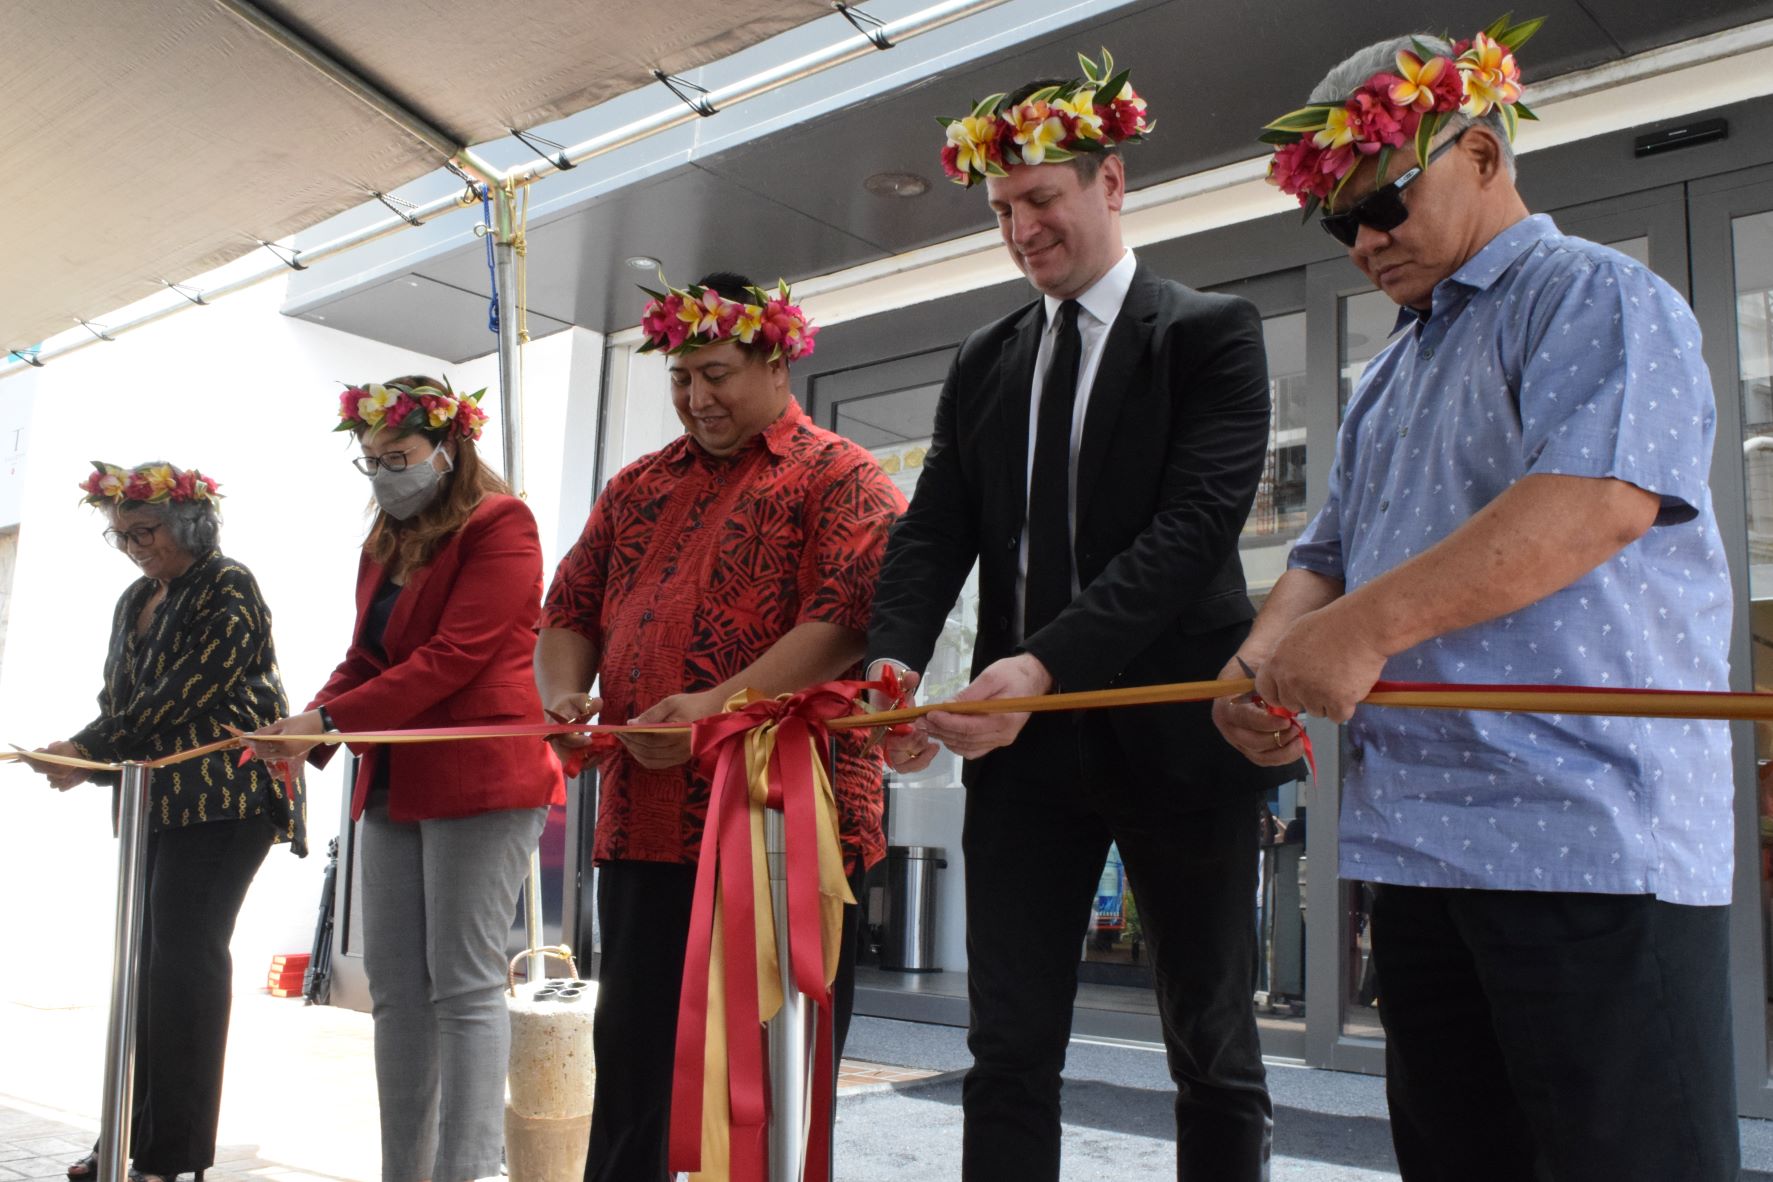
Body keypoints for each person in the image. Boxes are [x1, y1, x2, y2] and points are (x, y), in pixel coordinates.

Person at [1216, 19, 1739, 1180]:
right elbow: (1325, 554)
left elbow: (1597, 501)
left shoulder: (1598, 296)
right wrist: (1261, 663)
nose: (1364, 242)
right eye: (1339, 223)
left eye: (1383, 205)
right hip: (1419, 848)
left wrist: (1360, 631)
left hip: (1585, 835)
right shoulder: (1386, 374)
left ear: (1486, 153)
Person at [865, 52, 1296, 1182]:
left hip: (1178, 737)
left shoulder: (1210, 331)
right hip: (1024, 761)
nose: (1021, 230)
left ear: (1112, 182)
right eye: (1001, 210)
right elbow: (932, 532)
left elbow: (1191, 533)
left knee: (1211, 1042)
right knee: (1007, 1047)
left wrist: (1040, 668)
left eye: (1040, 199)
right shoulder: (985, 358)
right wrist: (893, 664)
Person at [534, 272, 905, 1182]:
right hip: (644, 818)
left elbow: (847, 620)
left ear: (777, 364)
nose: (696, 397)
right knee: (633, 1066)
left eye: (716, 374)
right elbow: (568, 609)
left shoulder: (841, 474)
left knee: (771, 1081)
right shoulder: (636, 485)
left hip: (783, 828)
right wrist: (563, 696)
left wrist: (717, 707)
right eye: (680, 378)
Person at [254, 376, 560, 1182]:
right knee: (394, 991)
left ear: (448, 447)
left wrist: (328, 722)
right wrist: (303, 727)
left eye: (398, 456)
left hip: (480, 773)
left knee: (463, 987)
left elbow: (455, 655)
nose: (384, 472)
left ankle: (465, 1171)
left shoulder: (502, 522)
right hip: (394, 774)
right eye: (371, 459)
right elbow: (366, 657)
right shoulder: (385, 542)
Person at [30, 462, 305, 1182]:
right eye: (120, 535)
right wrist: (86, 754)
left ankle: (169, 1154)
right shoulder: (135, 598)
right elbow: (122, 699)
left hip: (224, 798)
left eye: (144, 531)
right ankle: (128, 1132)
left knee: (182, 963)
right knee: (147, 969)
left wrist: (86, 750)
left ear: (189, 523)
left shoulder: (228, 583)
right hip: (153, 798)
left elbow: (187, 693)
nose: (132, 546)